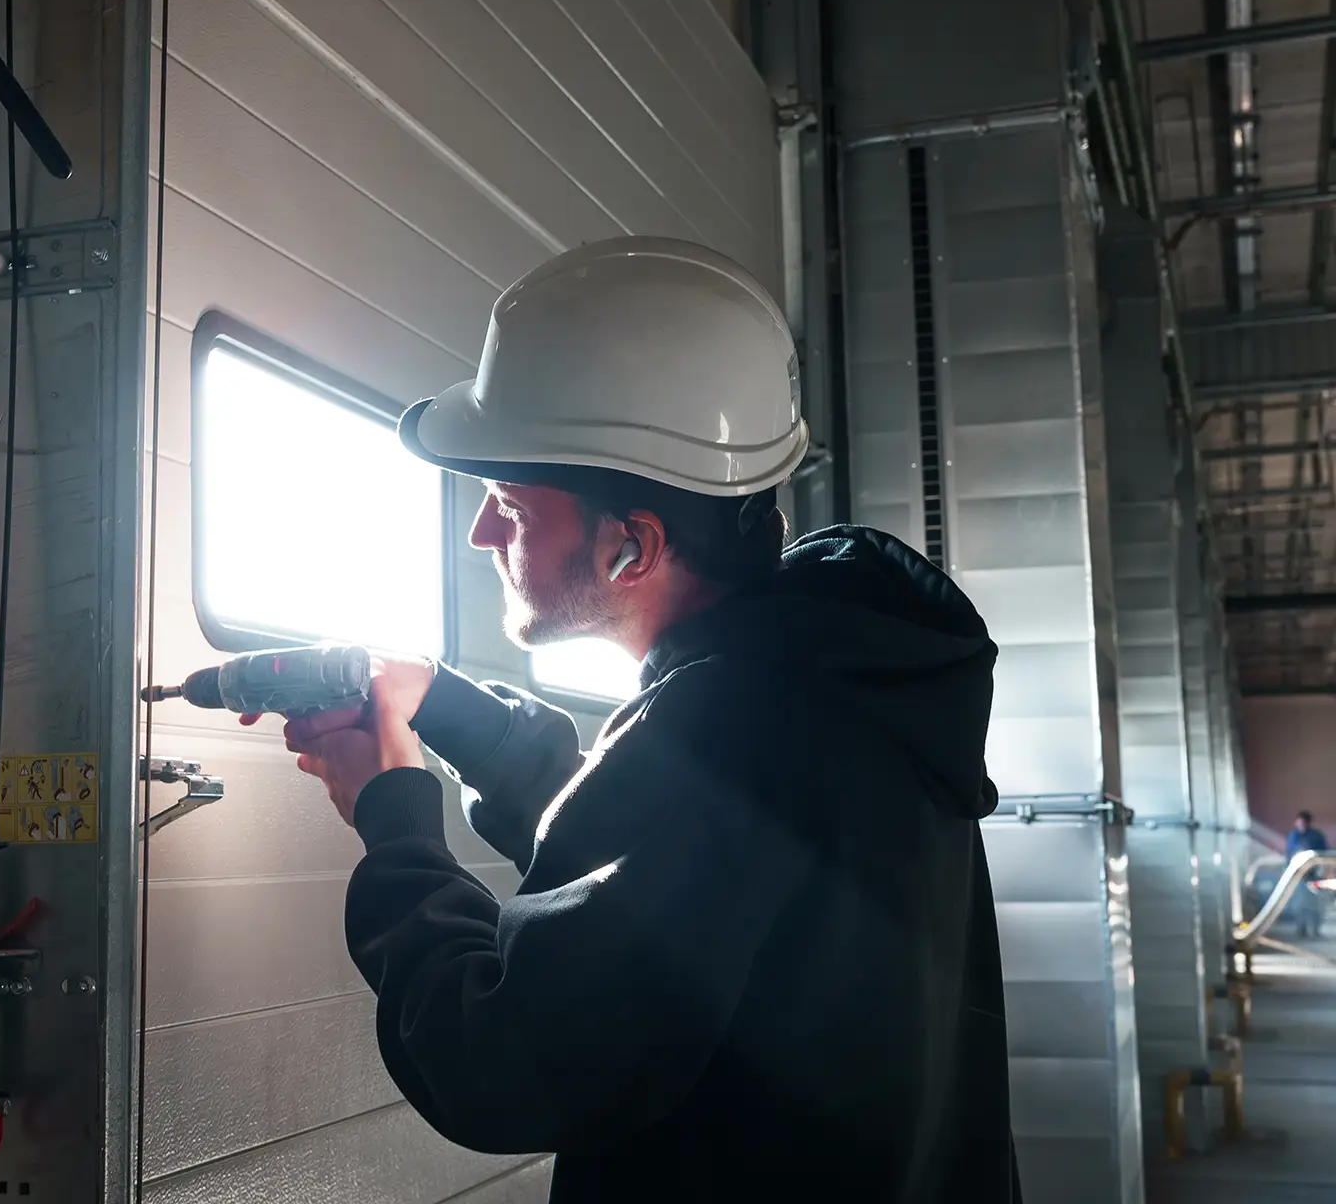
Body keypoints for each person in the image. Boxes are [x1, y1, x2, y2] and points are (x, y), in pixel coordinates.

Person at [274, 238, 1019, 1200]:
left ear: (632, 545)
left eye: (507, 504)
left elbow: (501, 1060)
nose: (481, 534)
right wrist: (447, 708)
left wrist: (393, 821)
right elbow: (682, 871)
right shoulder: (829, 683)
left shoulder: (731, 723)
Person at [1287, 811, 1329, 938]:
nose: (1301, 824)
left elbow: (1324, 854)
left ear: (1308, 823)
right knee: (1299, 904)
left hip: (1314, 875)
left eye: (1303, 822)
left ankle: (1315, 929)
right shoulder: (1293, 836)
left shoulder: (1316, 836)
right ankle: (1301, 928)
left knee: (1315, 904)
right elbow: (1288, 854)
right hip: (1298, 875)